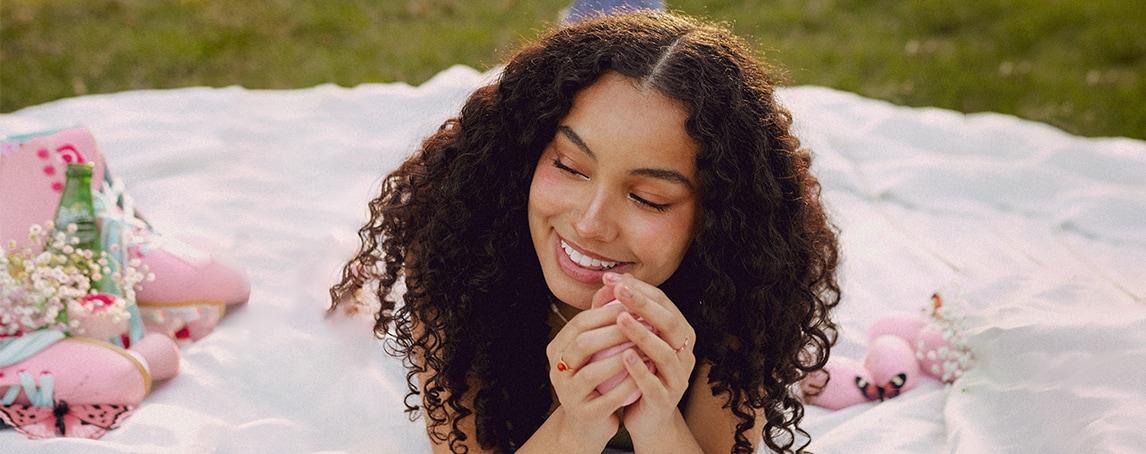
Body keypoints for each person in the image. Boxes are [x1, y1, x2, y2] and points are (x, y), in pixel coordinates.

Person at [330, 11, 840, 454]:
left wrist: (659, 424)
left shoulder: (745, 291)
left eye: (648, 199)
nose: (591, 224)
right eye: (570, 166)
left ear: (719, 216)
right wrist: (577, 428)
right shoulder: (458, 260)